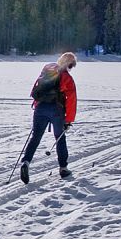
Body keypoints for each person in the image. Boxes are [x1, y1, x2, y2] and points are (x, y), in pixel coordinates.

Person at [20, 51, 78, 184]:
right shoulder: (67, 78)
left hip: (40, 108)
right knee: (60, 138)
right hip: (56, 110)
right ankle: (63, 168)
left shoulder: (47, 70)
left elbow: (37, 87)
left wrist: (37, 104)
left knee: (35, 137)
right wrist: (68, 120)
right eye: (71, 66)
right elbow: (71, 100)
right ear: (69, 65)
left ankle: (26, 162)